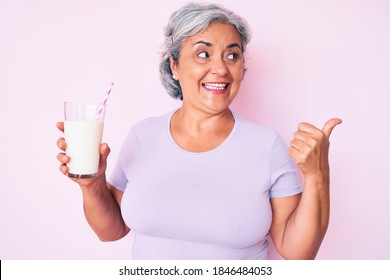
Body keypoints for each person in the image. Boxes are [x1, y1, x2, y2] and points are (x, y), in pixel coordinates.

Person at [56, 3, 341, 260]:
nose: (220, 68)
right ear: (174, 65)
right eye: (203, 54)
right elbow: (112, 231)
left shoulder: (266, 146)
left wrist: (318, 175)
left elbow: (298, 252)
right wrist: (92, 186)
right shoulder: (142, 136)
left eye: (232, 55)